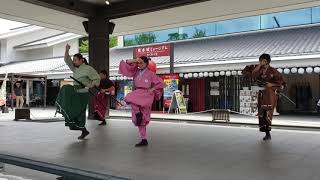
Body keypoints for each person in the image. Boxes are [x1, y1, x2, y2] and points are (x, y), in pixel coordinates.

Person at [119, 56, 166, 147]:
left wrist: (152, 89)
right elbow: (127, 62)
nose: (139, 64)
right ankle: (143, 137)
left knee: (143, 119)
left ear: (146, 64)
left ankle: (143, 137)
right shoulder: (136, 71)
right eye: (138, 63)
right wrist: (136, 60)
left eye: (141, 63)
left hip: (146, 94)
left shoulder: (150, 73)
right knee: (130, 98)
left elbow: (162, 83)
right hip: (137, 93)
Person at [55, 44, 100, 140]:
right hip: (75, 91)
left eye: (75, 60)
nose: (74, 62)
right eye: (74, 60)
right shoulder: (75, 68)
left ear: (81, 60)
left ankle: (83, 130)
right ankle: (84, 130)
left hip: (83, 93)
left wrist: (90, 85)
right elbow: (67, 60)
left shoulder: (88, 68)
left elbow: (97, 78)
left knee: (80, 113)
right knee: (66, 88)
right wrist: (67, 49)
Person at [245, 54, 285, 141]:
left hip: (270, 94)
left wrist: (272, 84)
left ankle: (268, 133)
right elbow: (253, 74)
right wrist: (259, 65)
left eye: (262, 60)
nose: (260, 62)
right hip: (262, 94)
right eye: (260, 60)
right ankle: (267, 133)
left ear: (266, 61)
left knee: (267, 113)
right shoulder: (259, 69)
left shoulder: (274, 71)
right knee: (262, 115)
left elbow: (282, 84)